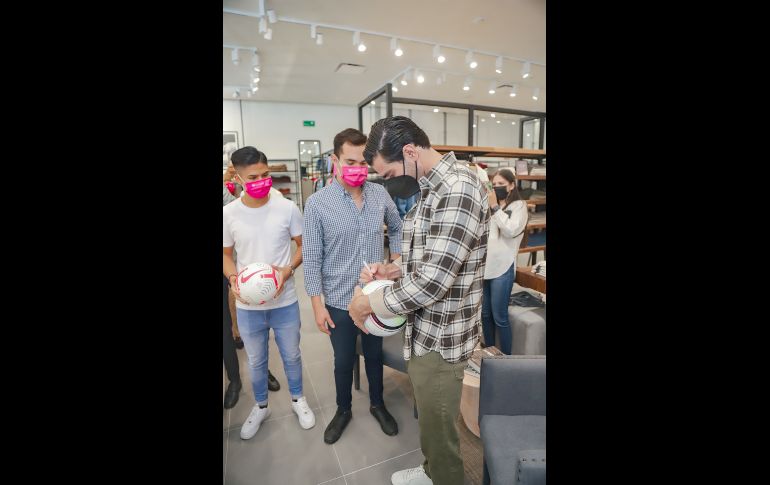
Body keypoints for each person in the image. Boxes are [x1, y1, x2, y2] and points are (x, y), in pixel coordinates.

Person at [348, 116, 489, 485]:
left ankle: (443, 476)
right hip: (425, 330)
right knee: (430, 417)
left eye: (391, 172)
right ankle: (431, 471)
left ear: (410, 151)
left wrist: (367, 304)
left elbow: (432, 283)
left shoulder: (458, 189)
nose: (392, 181)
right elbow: (426, 258)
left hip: (443, 338)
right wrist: (392, 270)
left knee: (441, 429)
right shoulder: (432, 187)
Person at [302, 128, 403, 444]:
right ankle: (343, 409)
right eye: (350, 161)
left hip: (374, 298)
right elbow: (312, 256)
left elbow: (398, 227)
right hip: (337, 300)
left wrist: (395, 262)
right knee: (343, 360)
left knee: (374, 356)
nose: (358, 168)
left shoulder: (379, 194)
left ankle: (377, 403)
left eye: (363, 162)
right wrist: (317, 305)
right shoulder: (318, 203)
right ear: (335, 160)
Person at [223, 147, 315, 439]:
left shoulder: (287, 208)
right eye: (253, 177)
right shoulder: (228, 213)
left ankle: (299, 400)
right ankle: (261, 406)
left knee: (291, 355)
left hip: (284, 301)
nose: (262, 180)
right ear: (237, 177)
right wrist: (234, 277)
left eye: (266, 174)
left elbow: (303, 246)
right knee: (256, 360)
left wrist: (288, 270)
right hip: (249, 306)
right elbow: (226, 254)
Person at [481, 169, 529, 355]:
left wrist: (495, 208)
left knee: (500, 317)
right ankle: (490, 353)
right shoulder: (491, 204)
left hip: (503, 268)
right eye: (494, 185)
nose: (497, 188)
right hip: (486, 267)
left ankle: (506, 359)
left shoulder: (519, 206)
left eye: (501, 184)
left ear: (511, 185)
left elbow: (511, 230)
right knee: (485, 315)